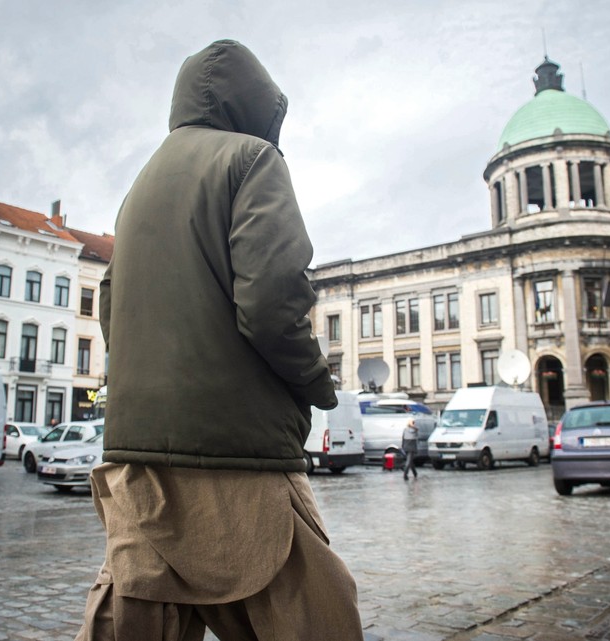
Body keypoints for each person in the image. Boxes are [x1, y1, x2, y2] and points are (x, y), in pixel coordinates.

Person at [74, 40, 363, 641]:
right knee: (312, 614)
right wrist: (315, 383)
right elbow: (273, 302)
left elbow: (108, 304)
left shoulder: (139, 185)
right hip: (238, 453)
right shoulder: (252, 159)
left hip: (138, 458)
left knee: (133, 617)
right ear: (255, 105)